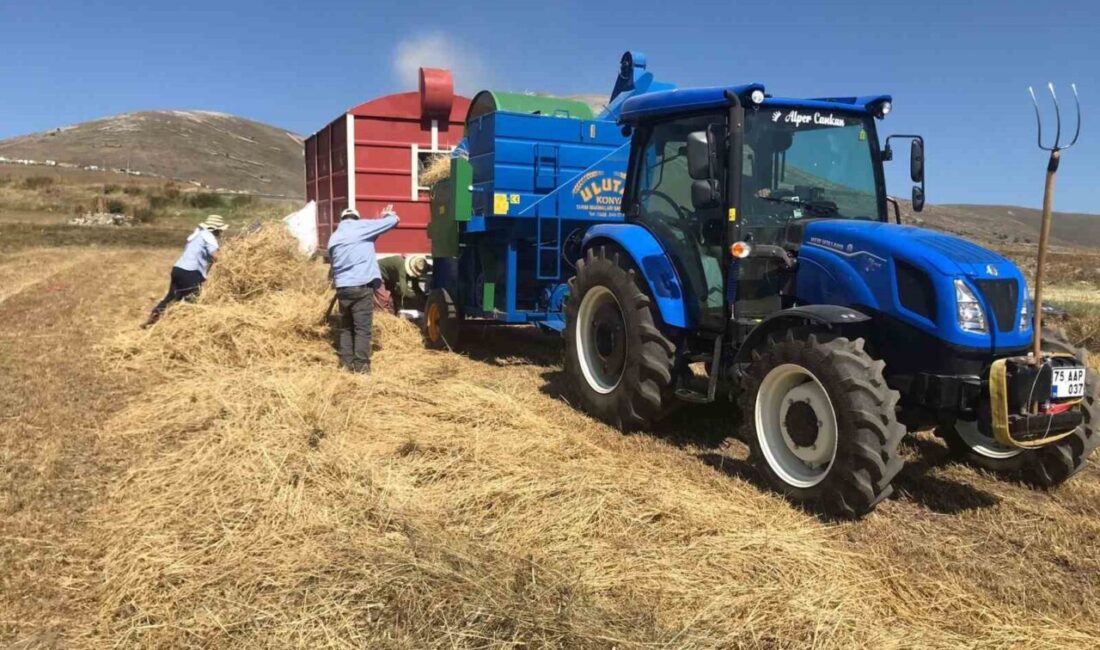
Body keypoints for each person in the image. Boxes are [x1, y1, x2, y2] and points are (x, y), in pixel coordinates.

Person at [328, 206, 400, 373]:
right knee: (362, 329)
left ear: (342, 219)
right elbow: (393, 222)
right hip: (361, 287)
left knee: (346, 328)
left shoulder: (334, 237)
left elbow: (332, 263)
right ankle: (361, 368)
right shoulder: (361, 227)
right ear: (356, 218)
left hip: (342, 288)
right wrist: (387, 214)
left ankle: (346, 364)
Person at [144, 215, 227, 327]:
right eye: (220, 230)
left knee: (172, 297)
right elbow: (216, 256)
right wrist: (229, 258)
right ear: (215, 229)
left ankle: (154, 317)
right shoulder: (209, 237)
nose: (221, 233)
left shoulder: (198, 234)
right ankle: (186, 327)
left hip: (178, 269)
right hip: (190, 272)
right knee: (194, 301)